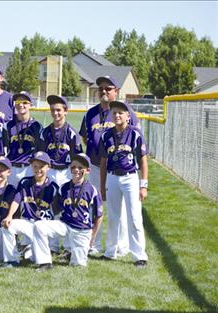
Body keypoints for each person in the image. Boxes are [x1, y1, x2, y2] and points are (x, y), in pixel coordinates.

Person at [79, 75, 139, 255]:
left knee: (118, 209)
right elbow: (85, 136)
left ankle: (121, 246)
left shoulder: (125, 111)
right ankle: (94, 244)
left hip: (116, 169)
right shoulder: (91, 113)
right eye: (101, 89)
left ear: (116, 91)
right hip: (96, 167)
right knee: (93, 205)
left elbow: (136, 138)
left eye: (108, 88)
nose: (104, 91)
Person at [99, 101, 149, 268]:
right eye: (114, 113)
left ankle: (139, 255)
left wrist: (144, 185)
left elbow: (143, 161)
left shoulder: (135, 134)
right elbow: (103, 162)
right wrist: (102, 185)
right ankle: (110, 251)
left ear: (128, 116)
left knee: (134, 217)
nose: (117, 115)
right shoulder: (106, 135)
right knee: (113, 217)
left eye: (121, 112)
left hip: (130, 177)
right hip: (112, 177)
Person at [33, 153, 103, 271]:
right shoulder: (64, 188)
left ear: (87, 170)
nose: (76, 170)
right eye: (74, 166)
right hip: (65, 225)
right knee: (39, 226)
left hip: (82, 230)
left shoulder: (92, 190)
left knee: (77, 266)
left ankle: (74, 253)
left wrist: (92, 237)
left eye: (80, 167)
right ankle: (45, 262)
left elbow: (99, 216)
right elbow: (55, 209)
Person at [1, 151, 59, 267]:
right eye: (35, 166)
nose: (38, 169)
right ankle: (11, 260)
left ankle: (42, 260)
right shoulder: (25, 182)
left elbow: (57, 211)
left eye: (41, 166)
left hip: (44, 225)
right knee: (7, 225)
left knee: (31, 257)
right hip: (28, 222)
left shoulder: (53, 186)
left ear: (49, 167)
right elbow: (16, 200)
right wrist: (9, 216)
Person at [41, 95, 83, 187]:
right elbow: (41, 154)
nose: (55, 113)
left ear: (66, 111)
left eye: (58, 110)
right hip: (49, 171)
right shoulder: (45, 132)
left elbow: (78, 157)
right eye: (52, 110)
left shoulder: (72, 133)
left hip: (66, 172)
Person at [4, 91, 43, 186]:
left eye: (24, 102)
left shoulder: (37, 126)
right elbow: (4, 148)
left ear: (30, 105)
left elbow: (40, 149)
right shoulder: (8, 125)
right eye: (18, 103)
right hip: (12, 168)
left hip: (29, 168)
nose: (21, 105)